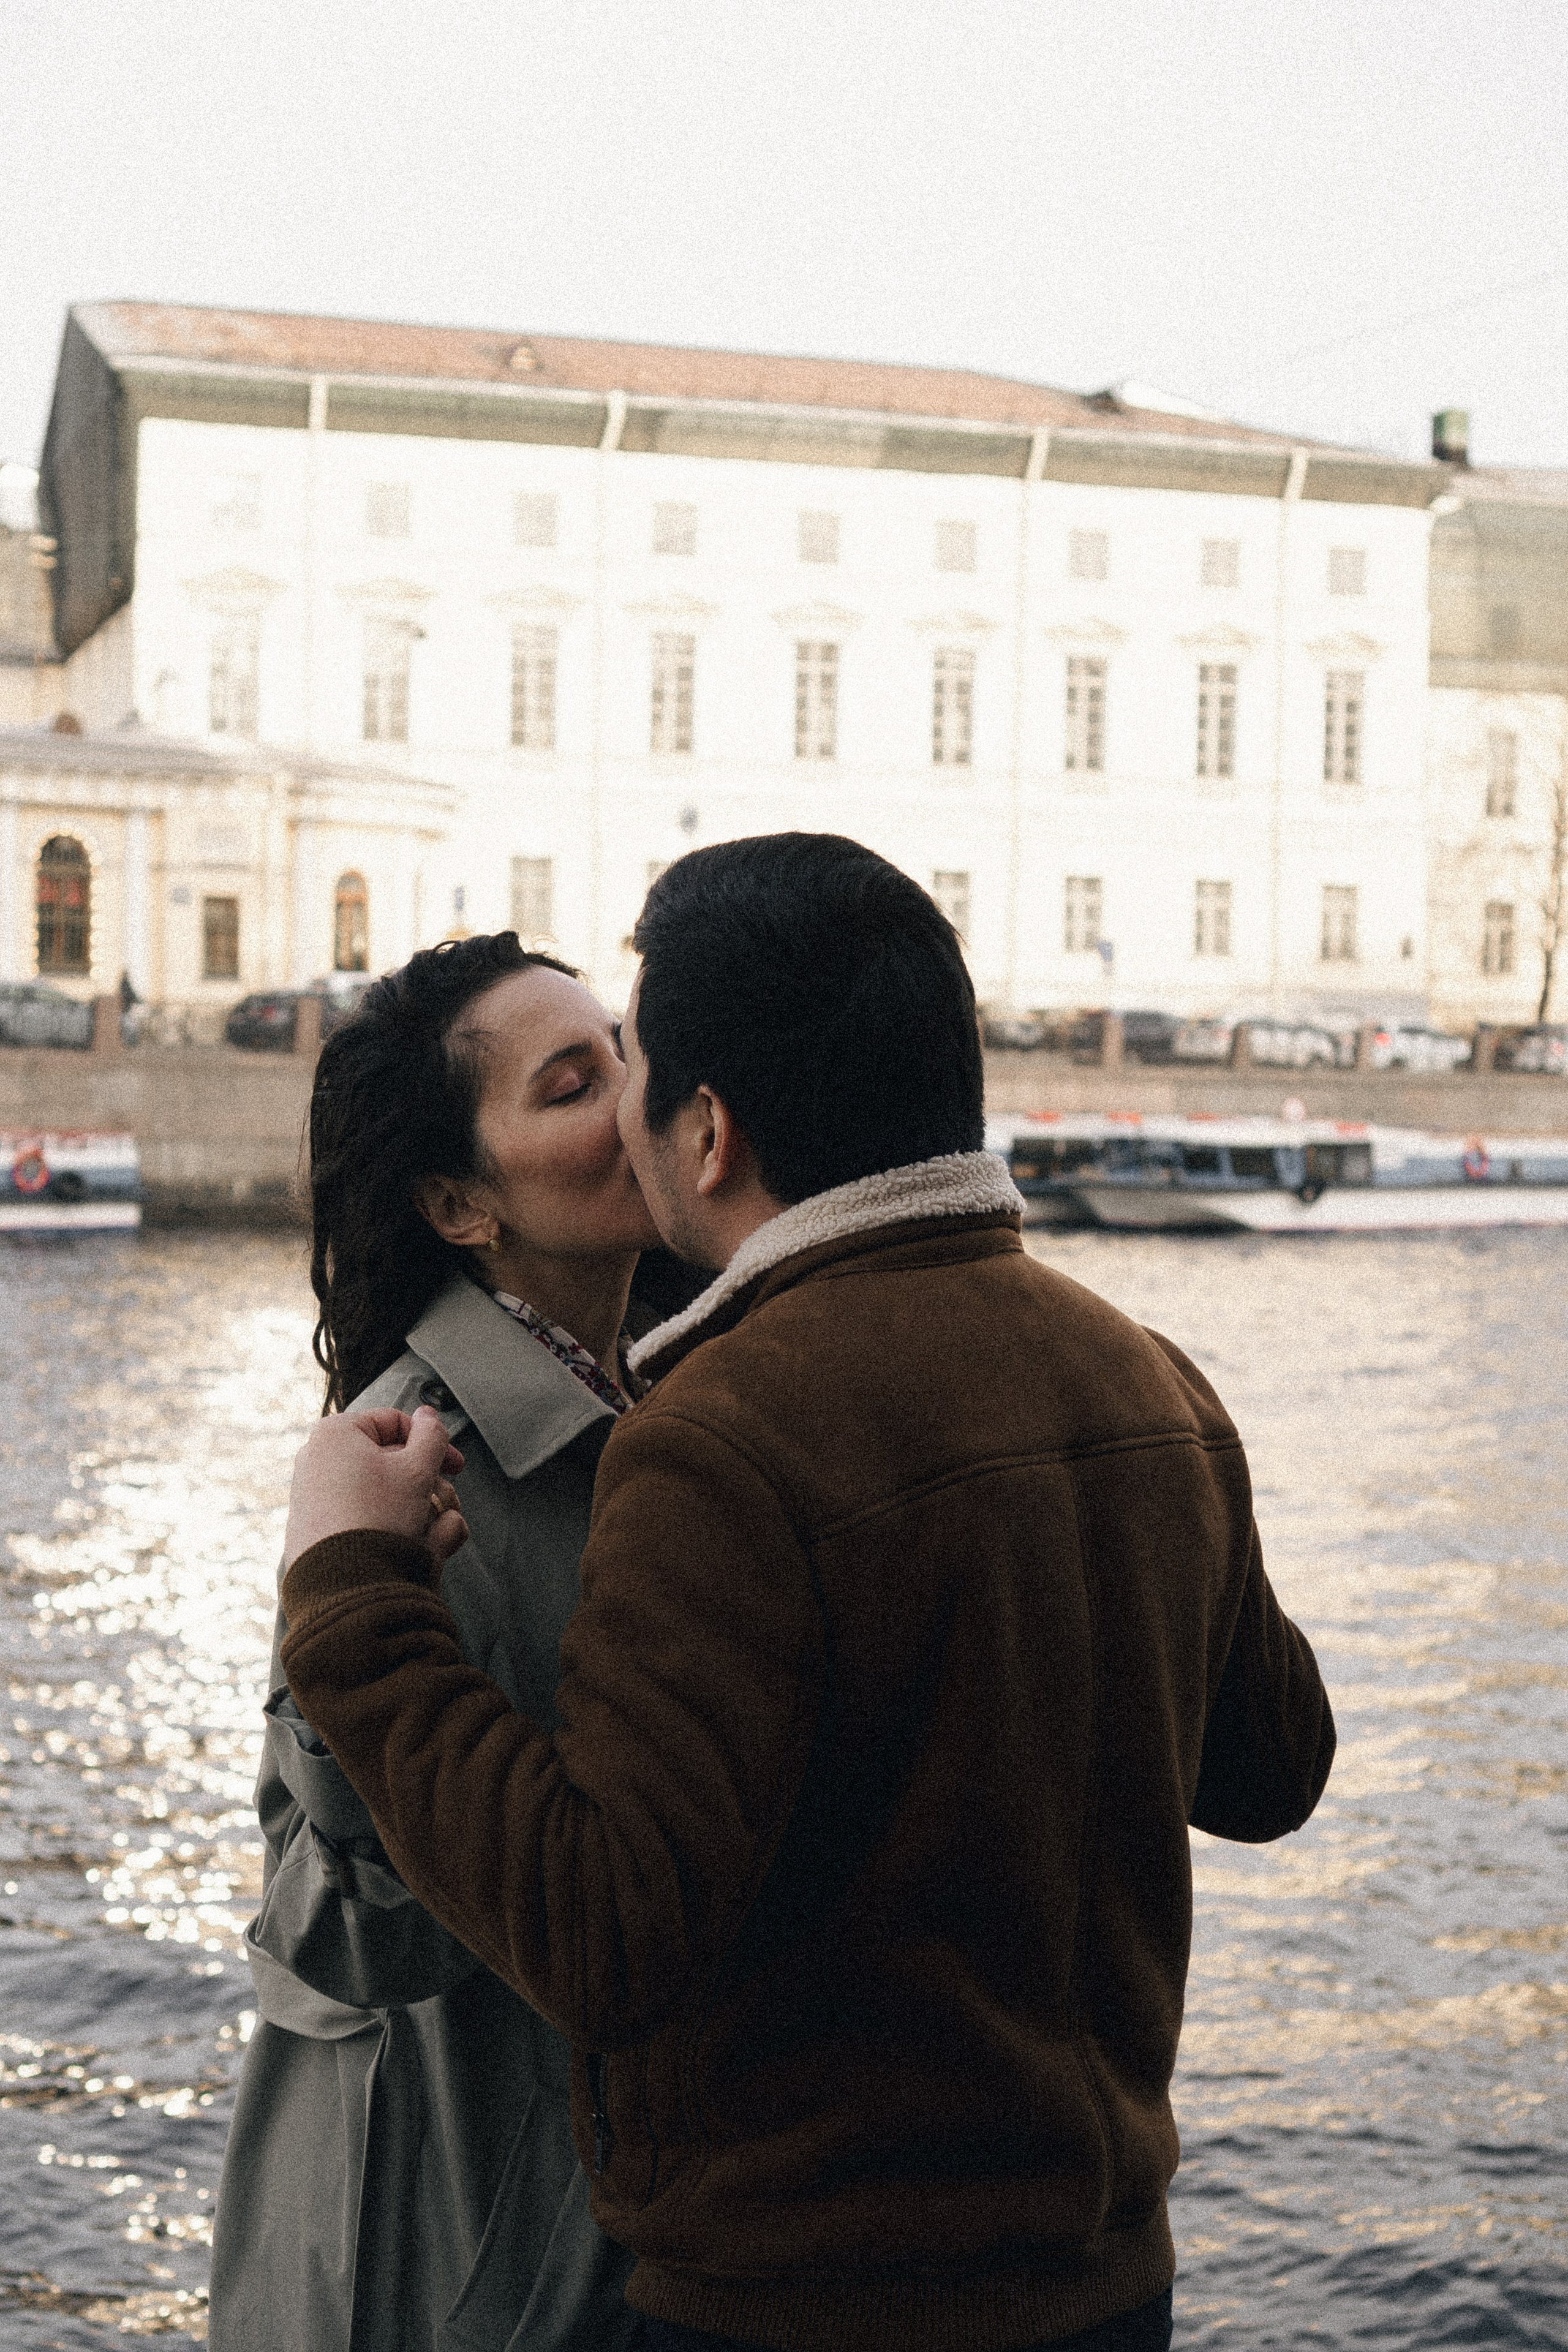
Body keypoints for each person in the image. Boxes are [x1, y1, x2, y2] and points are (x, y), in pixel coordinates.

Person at [275, 834, 1336, 2352]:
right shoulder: (1145, 1370)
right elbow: (1270, 1771)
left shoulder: (719, 1436)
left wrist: (358, 1602)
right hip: (1103, 2279)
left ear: (703, 1135)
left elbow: (602, 1936)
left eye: (632, 1066)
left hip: (806, 2297)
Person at [210, 930, 676, 2352]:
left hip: (603, 2239)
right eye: (571, 1082)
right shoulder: (411, 1461)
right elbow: (337, 1936)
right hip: (448, 2262)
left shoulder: (674, 1396)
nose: (638, 1095)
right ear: (464, 1207)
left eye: (626, 1048)